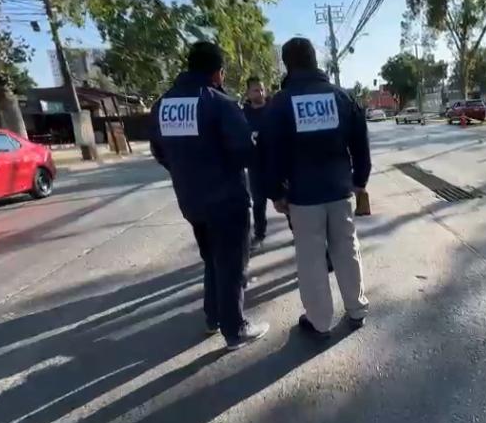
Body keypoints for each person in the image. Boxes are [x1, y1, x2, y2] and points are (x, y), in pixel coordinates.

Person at [149, 41, 269, 351]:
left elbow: (160, 152)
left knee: (212, 260)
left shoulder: (163, 105)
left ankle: (213, 316)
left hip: (190, 199)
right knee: (231, 263)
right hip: (227, 199)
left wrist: (186, 171)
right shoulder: (219, 103)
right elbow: (244, 151)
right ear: (216, 73)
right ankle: (235, 328)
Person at [264, 37, 370, 336]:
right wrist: (360, 180)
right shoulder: (341, 97)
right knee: (347, 249)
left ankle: (320, 322)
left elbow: (269, 152)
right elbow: (361, 144)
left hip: (303, 196)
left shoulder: (281, 104)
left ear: (288, 65)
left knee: (311, 258)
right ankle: (357, 309)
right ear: (315, 60)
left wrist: (276, 192)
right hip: (340, 189)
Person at [242, 76, 269, 251]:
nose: (259, 93)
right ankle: (259, 235)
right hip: (255, 166)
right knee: (259, 204)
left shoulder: (274, 108)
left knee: (287, 201)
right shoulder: (243, 113)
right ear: (248, 93)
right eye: (255, 90)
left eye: (261, 89)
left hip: (276, 163)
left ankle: (297, 233)